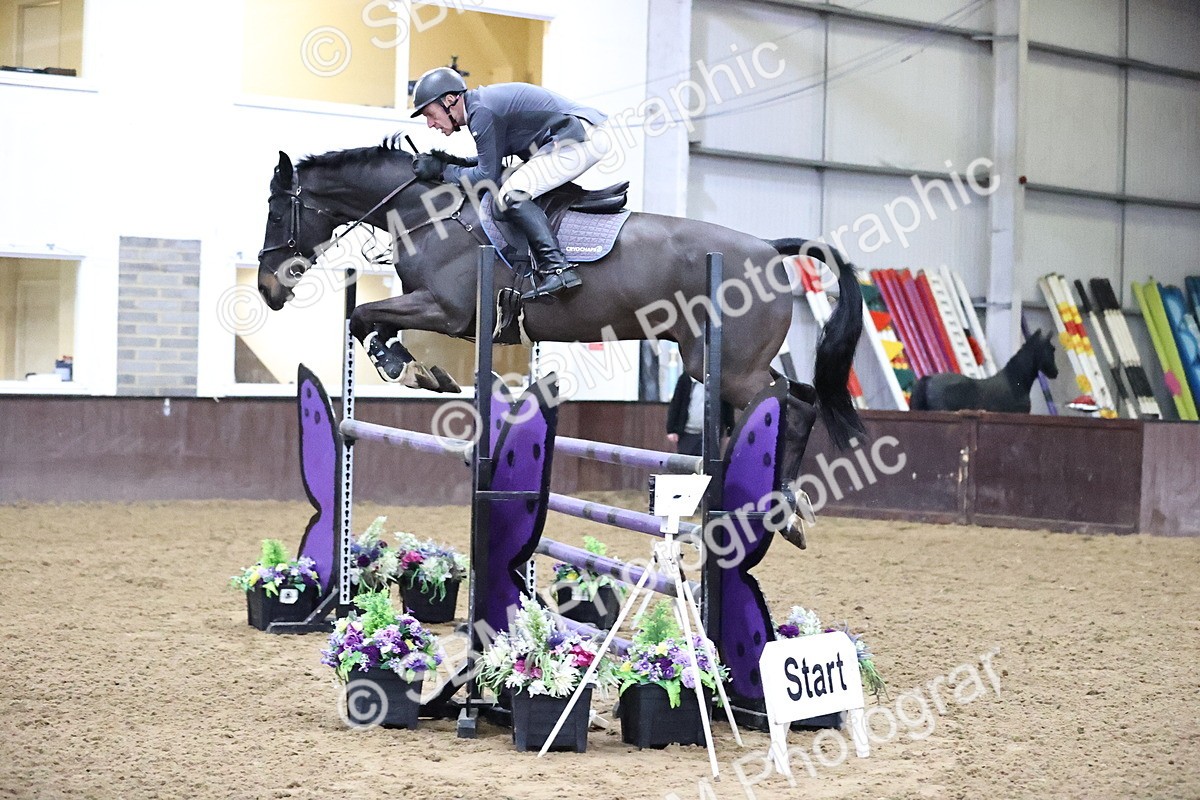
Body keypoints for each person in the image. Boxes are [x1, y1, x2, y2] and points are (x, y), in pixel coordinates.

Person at [408, 66, 610, 300]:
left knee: (510, 195)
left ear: (450, 99)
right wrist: (448, 163)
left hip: (579, 136)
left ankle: (558, 269)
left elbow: (486, 176)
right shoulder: (479, 106)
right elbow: (488, 161)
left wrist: (443, 170)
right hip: (576, 136)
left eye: (430, 114)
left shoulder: (481, 111)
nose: (430, 124)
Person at [666, 373, 734, 457]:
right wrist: (672, 430)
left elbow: (727, 406)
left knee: (710, 465)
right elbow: (676, 404)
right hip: (688, 433)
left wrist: (730, 431)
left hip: (711, 435)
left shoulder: (718, 381)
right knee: (687, 464)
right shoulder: (686, 379)